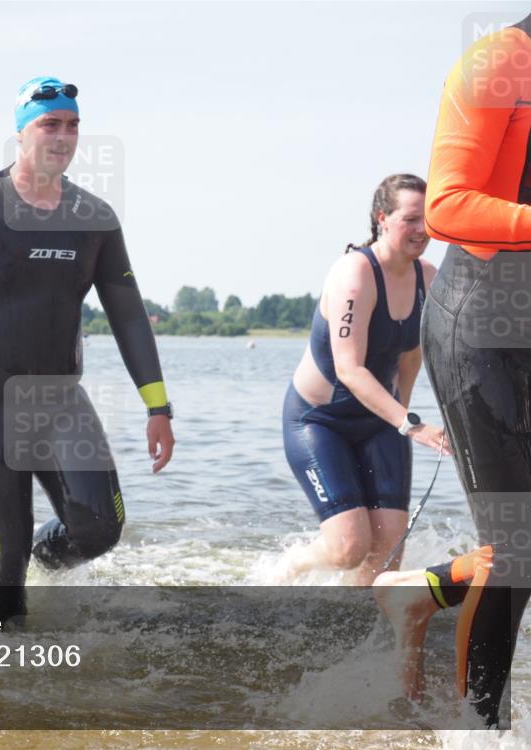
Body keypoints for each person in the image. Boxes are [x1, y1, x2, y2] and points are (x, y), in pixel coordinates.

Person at [0, 77, 175, 621]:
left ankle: (36, 568)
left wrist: (158, 408)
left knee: (100, 529)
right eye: (49, 123)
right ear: (20, 133)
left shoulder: (95, 218)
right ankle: (4, 657)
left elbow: (128, 315)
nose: (63, 135)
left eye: (72, 125)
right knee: (3, 563)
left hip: (59, 399)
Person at [374, 14, 530, 727]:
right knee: (518, 549)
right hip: (481, 330)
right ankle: (479, 732)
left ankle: (423, 591)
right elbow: (447, 206)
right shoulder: (498, 63)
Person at [281, 174, 448, 585]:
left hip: (382, 422)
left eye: (427, 218)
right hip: (320, 422)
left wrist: (400, 418)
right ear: (382, 218)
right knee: (349, 549)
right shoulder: (354, 274)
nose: (422, 229)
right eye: (411, 219)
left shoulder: (428, 278)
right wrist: (411, 424)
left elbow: (411, 355)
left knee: (387, 553)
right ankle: (295, 563)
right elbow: (349, 369)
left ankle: (355, 619)